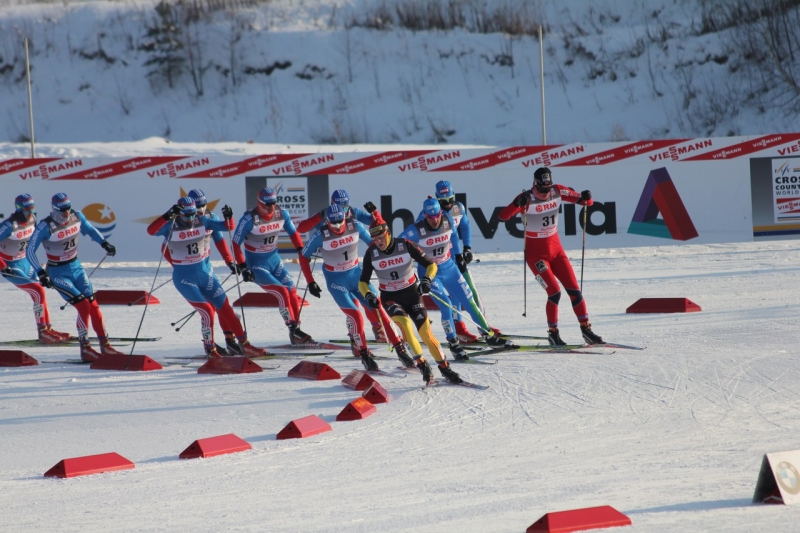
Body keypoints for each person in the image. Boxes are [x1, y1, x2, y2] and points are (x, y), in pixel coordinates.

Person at [147, 196, 268, 358]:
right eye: (187, 215)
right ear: (178, 212)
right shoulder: (170, 226)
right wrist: (166, 216)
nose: (190, 218)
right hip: (185, 279)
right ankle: (210, 349)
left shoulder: (202, 221)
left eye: (193, 214)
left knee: (226, 308)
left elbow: (227, 227)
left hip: (205, 275)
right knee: (206, 311)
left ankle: (244, 345)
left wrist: (228, 216)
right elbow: (151, 231)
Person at [299, 204, 412, 371]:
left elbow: (374, 244)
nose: (337, 227)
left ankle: (400, 350)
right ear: (327, 221)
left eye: (340, 222)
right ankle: (364, 354)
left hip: (356, 276)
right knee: (356, 315)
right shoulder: (321, 235)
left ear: (345, 217)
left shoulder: (355, 225)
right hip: (336, 282)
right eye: (333, 223)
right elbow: (303, 256)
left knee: (379, 308)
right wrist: (310, 282)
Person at [498, 167, 604, 346]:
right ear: (535, 184)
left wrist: (587, 196)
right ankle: (553, 333)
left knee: (575, 292)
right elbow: (503, 217)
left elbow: (587, 203)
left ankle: (586, 330)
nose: (544, 193)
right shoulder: (526, 197)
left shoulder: (557, 191)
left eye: (547, 189)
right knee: (554, 292)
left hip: (557, 251)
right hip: (536, 257)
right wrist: (517, 204)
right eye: (541, 189)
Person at [400, 197, 510, 358]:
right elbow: (398, 246)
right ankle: (454, 343)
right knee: (447, 305)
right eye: (430, 217)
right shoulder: (415, 230)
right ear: (425, 215)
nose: (435, 219)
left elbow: (453, 237)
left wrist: (459, 256)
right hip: (430, 273)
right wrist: (407, 271)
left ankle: (488, 335)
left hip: (449, 268)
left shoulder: (448, 220)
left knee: (469, 300)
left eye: (437, 215)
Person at [359, 214, 461, 384]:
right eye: (374, 238)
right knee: (406, 326)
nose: (378, 241)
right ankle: (423, 365)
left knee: (426, 334)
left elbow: (431, 264)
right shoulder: (371, 253)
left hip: (412, 294)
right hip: (391, 298)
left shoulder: (405, 245)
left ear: (388, 233)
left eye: (381, 236)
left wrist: (427, 280)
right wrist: (368, 294)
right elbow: (363, 281)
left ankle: (445, 368)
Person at [26, 193, 122, 361]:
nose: (66, 214)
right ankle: (85, 349)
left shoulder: (77, 216)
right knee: (83, 306)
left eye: (68, 209)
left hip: (76, 268)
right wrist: (40, 273)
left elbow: (90, 230)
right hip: (58, 272)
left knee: (94, 306)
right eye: (62, 211)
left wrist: (104, 243)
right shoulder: (45, 226)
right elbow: (29, 250)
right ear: (54, 210)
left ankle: (105, 346)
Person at [296, 188, 388, 344]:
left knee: (371, 302)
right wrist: (319, 217)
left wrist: (375, 213)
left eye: (346, 207)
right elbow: (301, 229)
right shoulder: (326, 214)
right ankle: (355, 334)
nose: (343, 212)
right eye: (340, 207)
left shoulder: (353, 213)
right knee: (354, 306)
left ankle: (378, 329)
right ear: (332, 204)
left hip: (352, 269)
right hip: (334, 269)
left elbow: (378, 226)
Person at [232, 187, 315, 345]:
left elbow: (293, 232)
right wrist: (242, 266)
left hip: (274, 260)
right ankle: (293, 329)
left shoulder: (281, 213)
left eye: (273, 203)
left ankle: (296, 331)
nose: (271, 207)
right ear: (259, 203)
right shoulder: (249, 219)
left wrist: (300, 249)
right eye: (267, 204)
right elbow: (235, 243)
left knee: (291, 289)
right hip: (257, 264)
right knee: (282, 292)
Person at [416, 180, 493, 343]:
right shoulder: (428, 215)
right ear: (437, 199)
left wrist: (467, 248)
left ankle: (483, 326)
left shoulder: (458, 208)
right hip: (439, 260)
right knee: (452, 296)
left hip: (454, 255)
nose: (447, 205)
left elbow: (465, 226)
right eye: (443, 202)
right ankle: (459, 328)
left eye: (450, 200)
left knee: (469, 290)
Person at [0, 194, 70, 343]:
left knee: (40, 294)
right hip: (11, 266)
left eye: (31, 208)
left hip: (25, 263)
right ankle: (43, 332)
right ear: (18, 209)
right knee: (38, 291)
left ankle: (47, 328)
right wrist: (3, 266)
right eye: (26, 209)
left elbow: (36, 244)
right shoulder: (8, 226)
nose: (29, 212)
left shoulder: (32, 220)